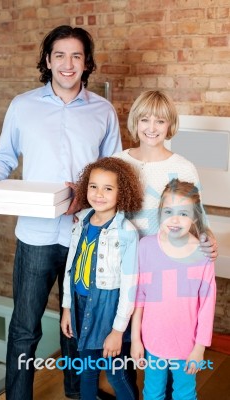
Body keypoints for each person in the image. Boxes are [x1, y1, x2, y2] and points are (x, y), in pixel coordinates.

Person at [0, 25, 122, 400]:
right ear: (47, 60)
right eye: (59, 55)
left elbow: (115, 169)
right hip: (36, 235)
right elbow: (4, 156)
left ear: (87, 63)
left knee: (77, 325)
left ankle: (77, 395)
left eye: (76, 55)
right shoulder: (22, 105)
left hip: (85, 235)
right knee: (25, 328)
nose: (68, 63)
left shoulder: (103, 110)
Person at [113, 90, 217, 399]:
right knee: (129, 341)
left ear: (169, 124)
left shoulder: (184, 167)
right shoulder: (120, 162)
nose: (151, 127)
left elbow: (198, 217)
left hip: (163, 266)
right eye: (145, 119)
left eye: (160, 120)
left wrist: (207, 239)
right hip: (126, 263)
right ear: (135, 121)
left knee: (173, 361)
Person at [61, 157, 142, 400]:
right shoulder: (81, 222)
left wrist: (118, 330)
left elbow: (130, 284)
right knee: (86, 370)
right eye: (93, 186)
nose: (99, 194)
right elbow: (70, 268)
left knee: (115, 373)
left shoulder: (127, 232)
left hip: (108, 309)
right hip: (80, 304)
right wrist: (67, 307)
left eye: (108, 188)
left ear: (122, 192)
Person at [131, 178, 216, 400]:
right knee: (152, 393)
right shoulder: (146, 247)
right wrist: (136, 339)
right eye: (169, 211)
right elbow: (139, 296)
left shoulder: (203, 255)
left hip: (187, 345)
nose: (175, 219)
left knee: (185, 394)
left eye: (184, 213)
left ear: (195, 217)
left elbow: (207, 305)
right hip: (152, 341)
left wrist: (200, 347)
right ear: (160, 212)